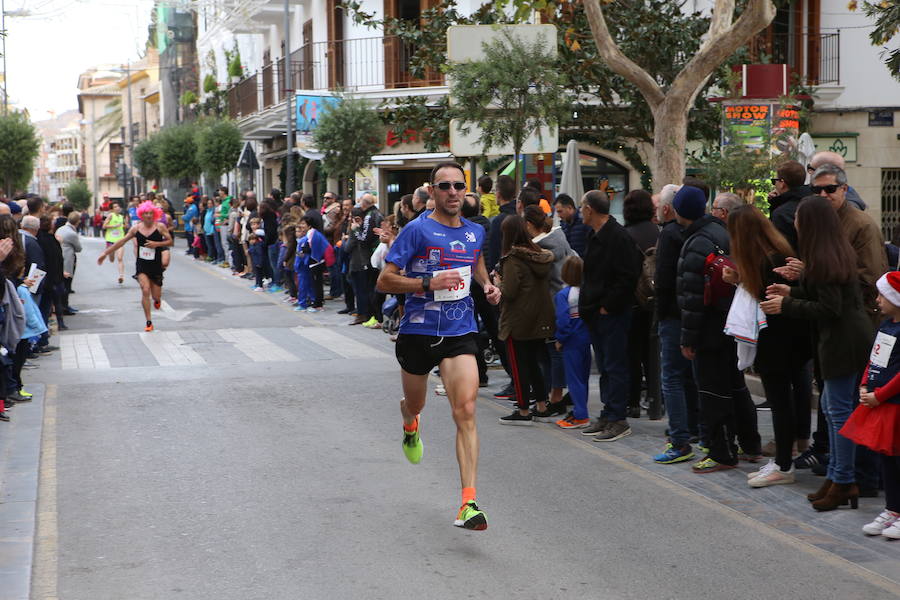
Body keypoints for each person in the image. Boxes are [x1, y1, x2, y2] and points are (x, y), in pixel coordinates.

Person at [376, 161, 501, 531]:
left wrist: (487, 284)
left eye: (458, 186)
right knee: (416, 402)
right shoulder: (416, 231)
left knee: (465, 410)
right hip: (418, 331)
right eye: (444, 186)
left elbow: (474, 260)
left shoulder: (476, 231)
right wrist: (427, 283)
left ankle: (468, 503)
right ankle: (409, 421)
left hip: (460, 331)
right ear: (432, 192)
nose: (452, 192)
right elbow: (385, 280)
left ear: (466, 191)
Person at [760, 195, 872, 510]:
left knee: (838, 413)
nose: (793, 222)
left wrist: (787, 303)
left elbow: (829, 307)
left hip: (843, 342)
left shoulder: (824, 255)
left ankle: (844, 480)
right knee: (831, 408)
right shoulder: (827, 251)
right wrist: (792, 290)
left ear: (810, 223)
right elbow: (824, 293)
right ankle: (838, 477)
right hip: (843, 339)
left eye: (798, 218)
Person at [674, 185, 761, 473]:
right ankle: (750, 444)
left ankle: (721, 451)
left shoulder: (697, 241)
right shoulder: (721, 232)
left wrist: (688, 338)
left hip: (711, 328)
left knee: (713, 392)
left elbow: (692, 298)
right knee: (735, 387)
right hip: (730, 324)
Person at [723, 205, 811, 487]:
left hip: (778, 341)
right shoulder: (777, 251)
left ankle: (783, 465)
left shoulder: (765, 259)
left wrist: (740, 281)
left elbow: (767, 297)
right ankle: (783, 460)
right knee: (784, 401)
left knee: (780, 403)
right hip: (791, 340)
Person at [579, 189, 642, 442]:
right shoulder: (594, 234)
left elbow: (628, 276)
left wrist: (608, 305)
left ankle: (618, 417)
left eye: (583, 206)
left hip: (612, 312)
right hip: (596, 311)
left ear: (589, 209)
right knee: (605, 365)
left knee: (615, 365)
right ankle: (608, 413)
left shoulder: (618, 236)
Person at [841, 271, 900, 539]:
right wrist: (865, 385)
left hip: (893, 402)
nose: (877, 300)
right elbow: (874, 360)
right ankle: (892, 509)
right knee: (887, 458)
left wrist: (881, 394)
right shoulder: (885, 326)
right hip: (881, 403)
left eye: (882, 295)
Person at [651, 184, 701, 464]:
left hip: (673, 316)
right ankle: (693, 430)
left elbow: (666, 281)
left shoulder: (670, 235)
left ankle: (679, 438)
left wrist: (660, 312)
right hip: (689, 314)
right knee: (689, 376)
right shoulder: (695, 232)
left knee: (671, 377)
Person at [496, 215, 556, 425]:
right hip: (539, 316)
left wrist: (498, 283)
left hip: (518, 319)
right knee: (533, 362)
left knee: (519, 365)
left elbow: (510, 292)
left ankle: (523, 410)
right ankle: (541, 405)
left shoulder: (513, 259)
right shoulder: (539, 254)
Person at [97, 201, 174, 332]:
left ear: (154, 214)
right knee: (145, 290)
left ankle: (157, 300)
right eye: (145, 213)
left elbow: (170, 242)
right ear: (141, 215)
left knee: (156, 296)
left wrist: (156, 244)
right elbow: (120, 242)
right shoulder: (136, 228)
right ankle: (149, 322)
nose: (148, 215)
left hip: (156, 264)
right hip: (142, 264)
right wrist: (105, 253)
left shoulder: (160, 226)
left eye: (150, 213)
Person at [623, 189, 659, 419]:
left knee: (632, 354)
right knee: (654, 354)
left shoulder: (626, 235)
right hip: (657, 301)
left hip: (633, 302)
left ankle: (633, 402)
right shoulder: (660, 232)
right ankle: (657, 401)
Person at [554, 255, 592, 428]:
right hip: (586, 339)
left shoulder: (563, 295)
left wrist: (560, 339)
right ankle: (580, 410)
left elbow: (563, 321)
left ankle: (581, 415)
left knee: (573, 379)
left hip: (571, 342)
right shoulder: (585, 292)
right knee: (583, 378)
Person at [769, 160, 811, 252]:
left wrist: (775, 205)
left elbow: (781, 247)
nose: (774, 185)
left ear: (782, 183)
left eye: (774, 181)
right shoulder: (814, 201)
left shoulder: (781, 213)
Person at [56, 211, 82, 316]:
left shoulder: (61, 229)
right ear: (77, 221)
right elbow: (78, 248)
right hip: (67, 259)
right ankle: (64, 306)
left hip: (60, 257)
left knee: (63, 283)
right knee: (67, 284)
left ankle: (64, 305)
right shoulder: (71, 233)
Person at [555, 193, 591, 257]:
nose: (558, 215)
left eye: (560, 211)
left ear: (570, 208)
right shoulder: (563, 224)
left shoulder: (584, 221)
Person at [103, 203, 127, 284]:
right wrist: (114, 226)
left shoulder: (121, 217)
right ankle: (111, 254)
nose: (117, 208)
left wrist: (124, 226)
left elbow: (123, 226)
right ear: (112, 209)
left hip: (120, 240)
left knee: (120, 258)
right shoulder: (110, 215)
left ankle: (121, 276)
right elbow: (104, 226)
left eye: (118, 206)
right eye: (115, 207)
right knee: (112, 259)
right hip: (110, 240)